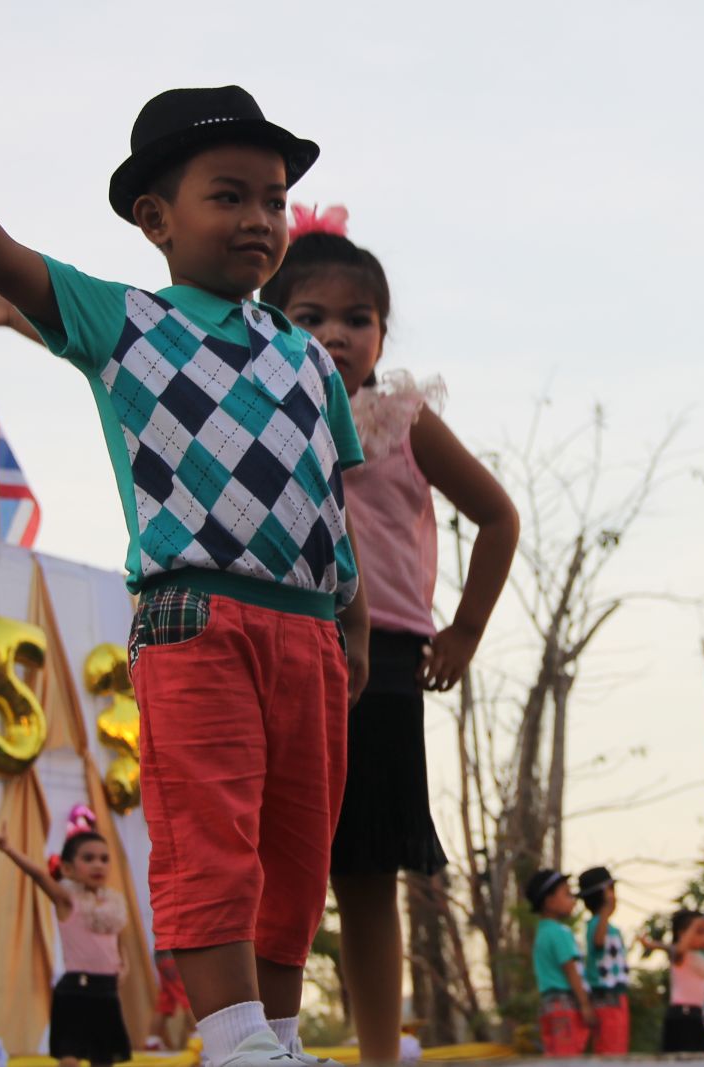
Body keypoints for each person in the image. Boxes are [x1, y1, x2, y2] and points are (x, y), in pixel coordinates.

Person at [0, 66, 368, 1066]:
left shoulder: (311, 362)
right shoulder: (125, 321)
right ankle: (233, 1036)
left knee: (295, 848)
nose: (259, 219)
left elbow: (334, 498)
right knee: (212, 832)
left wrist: (353, 625)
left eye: (275, 200)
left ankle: (279, 1037)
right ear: (155, 218)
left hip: (310, 633)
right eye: (229, 196)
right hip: (196, 616)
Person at [264, 206, 519, 1061]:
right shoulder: (254, 408)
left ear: (382, 331)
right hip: (279, 644)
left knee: (367, 871)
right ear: (270, 321)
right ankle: (265, 1042)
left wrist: (466, 630)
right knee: (271, 861)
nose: (336, 334)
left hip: (387, 665)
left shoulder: (401, 418)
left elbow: (497, 515)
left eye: (358, 318)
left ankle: (379, 1053)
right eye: (311, 316)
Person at [0, 824, 130, 1067]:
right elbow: (39, 875)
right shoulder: (68, 900)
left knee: (103, 1058)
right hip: (76, 990)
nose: (98, 865)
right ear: (67, 868)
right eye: (88, 858)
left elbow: (116, 941)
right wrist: (8, 849)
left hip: (107, 990)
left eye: (104, 859)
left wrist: (124, 965)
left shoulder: (113, 905)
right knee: (70, 1057)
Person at [527, 870, 596, 1057]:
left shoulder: (542, 932)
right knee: (568, 1056)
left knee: (555, 1055)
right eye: (567, 894)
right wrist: (585, 1004)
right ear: (549, 902)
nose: (573, 900)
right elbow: (570, 969)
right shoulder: (559, 932)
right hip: (565, 1007)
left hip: (548, 1006)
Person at [577, 866, 631, 1055]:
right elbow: (599, 941)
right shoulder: (595, 924)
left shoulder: (610, 927)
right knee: (609, 1049)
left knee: (618, 1046)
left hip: (617, 995)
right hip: (605, 997)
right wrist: (605, 911)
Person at [654, 910, 704, 1053]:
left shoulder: (701, 957)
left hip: (696, 1014)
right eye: (698, 932)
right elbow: (680, 948)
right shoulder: (680, 955)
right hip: (682, 1015)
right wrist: (695, 924)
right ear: (683, 934)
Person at [145, 949, 194, 1051]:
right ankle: (199, 1036)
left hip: (163, 955)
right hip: (171, 954)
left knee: (166, 1000)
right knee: (185, 994)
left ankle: (152, 1042)